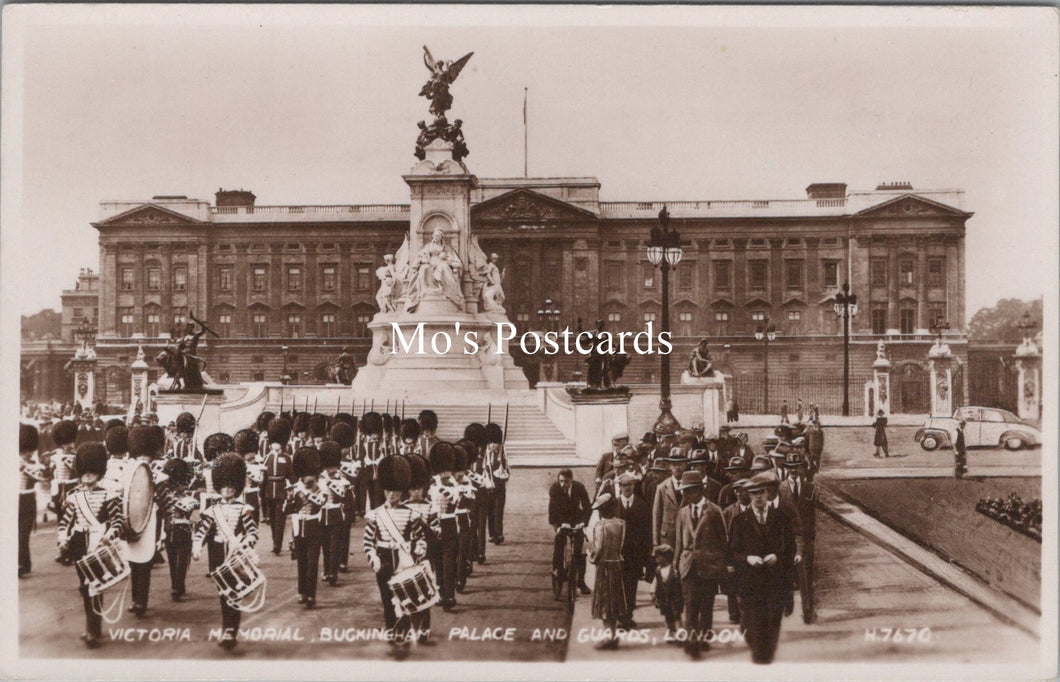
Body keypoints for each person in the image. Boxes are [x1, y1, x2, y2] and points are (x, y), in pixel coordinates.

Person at [57, 442, 124, 649]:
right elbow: (66, 520)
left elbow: (118, 521)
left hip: (98, 541)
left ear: (99, 472)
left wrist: (110, 534)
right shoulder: (74, 496)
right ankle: (92, 625)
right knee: (84, 585)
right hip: (79, 541)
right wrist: (62, 538)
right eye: (84, 471)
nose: (87, 475)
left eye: (91, 471)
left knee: (94, 585)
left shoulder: (109, 494)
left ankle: (93, 629)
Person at [362, 454, 427, 660]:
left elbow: (420, 537)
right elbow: (367, 541)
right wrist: (373, 557)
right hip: (383, 557)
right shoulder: (375, 514)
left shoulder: (410, 513)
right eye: (389, 490)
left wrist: (418, 550)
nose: (392, 495)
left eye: (396, 491)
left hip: (404, 558)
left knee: (404, 595)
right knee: (386, 597)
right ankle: (392, 628)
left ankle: (404, 629)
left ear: (401, 491)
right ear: (384, 490)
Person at [729, 471, 797, 664]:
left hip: (776, 582)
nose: (758, 496)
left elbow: (790, 550)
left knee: (773, 624)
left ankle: (764, 660)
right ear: (748, 496)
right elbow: (733, 553)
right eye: (753, 493)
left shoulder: (780, 518)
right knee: (751, 627)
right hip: (750, 583)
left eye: (761, 492)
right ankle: (760, 654)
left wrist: (777, 556)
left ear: (768, 493)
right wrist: (748, 558)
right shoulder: (740, 521)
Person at [192, 453, 258, 651]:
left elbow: (252, 533)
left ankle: (230, 630)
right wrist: (196, 547)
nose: (227, 489)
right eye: (224, 486)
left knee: (234, 593)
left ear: (237, 487)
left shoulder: (245, 508)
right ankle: (227, 627)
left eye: (231, 486)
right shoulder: (212, 510)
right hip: (218, 555)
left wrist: (245, 544)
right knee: (223, 594)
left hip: (235, 556)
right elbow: (202, 531)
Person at [673, 470, 728, 659]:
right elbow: (679, 541)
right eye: (684, 492)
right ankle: (692, 641)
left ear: (699, 490)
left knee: (706, 605)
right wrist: (676, 563)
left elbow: (723, 541)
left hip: (709, 566)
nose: (686, 495)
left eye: (689, 491)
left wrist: (720, 564)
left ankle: (703, 637)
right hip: (688, 565)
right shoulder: (682, 513)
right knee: (690, 604)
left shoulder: (714, 510)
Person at [125, 425, 165, 617]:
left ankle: (142, 600)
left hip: (151, 519)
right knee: (133, 560)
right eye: (139, 454)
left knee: (145, 561)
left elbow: (164, 500)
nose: (143, 458)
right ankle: (135, 599)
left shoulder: (159, 472)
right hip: (132, 517)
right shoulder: (130, 470)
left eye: (145, 454)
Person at [777, 452, 817, 624]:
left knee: (806, 574)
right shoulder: (779, 488)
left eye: (797, 466)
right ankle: (788, 601)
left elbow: (813, 515)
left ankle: (807, 610)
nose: (793, 470)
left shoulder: (810, 488)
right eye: (790, 467)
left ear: (802, 467)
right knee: (786, 572)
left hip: (805, 537)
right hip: (786, 538)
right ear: (785, 469)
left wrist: (812, 537)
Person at [587, 493, 629, 650]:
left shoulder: (600, 526)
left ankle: (609, 637)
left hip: (604, 566)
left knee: (604, 602)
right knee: (615, 601)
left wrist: (592, 558)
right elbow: (621, 546)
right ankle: (613, 635)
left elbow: (599, 548)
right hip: (617, 565)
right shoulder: (621, 524)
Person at [285, 446, 325, 609]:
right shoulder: (295, 488)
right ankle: (302, 591)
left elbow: (320, 503)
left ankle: (311, 594)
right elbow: (287, 511)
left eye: (311, 473)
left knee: (313, 562)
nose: (308, 476)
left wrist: (308, 493)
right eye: (306, 473)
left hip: (314, 527)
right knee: (301, 561)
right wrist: (289, 499)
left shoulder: (321, 488)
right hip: (298, 527)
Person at [613, 471, 651, 628]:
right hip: (617, 554)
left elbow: (647, 531)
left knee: (631, 586)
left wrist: (646, 555)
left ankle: (627, 617)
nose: (627, 488)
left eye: (629, 485)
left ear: (634, 486)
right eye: (623, 485)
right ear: (619, 487)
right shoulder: (613, 505)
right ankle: (620, 617)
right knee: (618, 586)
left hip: (635, 554)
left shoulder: (642, 505)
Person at [548, 468, 592, 599]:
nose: (563, 484)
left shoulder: (579, 487)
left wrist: (583, 522)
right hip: (561, 520)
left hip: (576, 520)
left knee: (581, 548)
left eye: (566, 481)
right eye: (560, 481)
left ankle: (581, 581)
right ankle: (557, 570)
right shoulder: (555, 489)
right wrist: (559, 526)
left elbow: (587, 507)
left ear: (571, 480)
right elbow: (552, 510)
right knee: (559, 542)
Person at [428, 442, 460, 611]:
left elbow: (454, 499)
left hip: (448, 523)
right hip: (433, 524)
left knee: (449, 561)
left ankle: (449, 594)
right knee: (437, 561)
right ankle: (440, 592)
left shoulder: (453, 484)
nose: (446, 472)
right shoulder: (430, 482)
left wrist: (439, 485)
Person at [159, 457, 196, 601]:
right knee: (172, 562)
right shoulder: (166, 496)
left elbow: (192, 516)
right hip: (170, 531)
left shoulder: (191, 498)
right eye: (178, 484)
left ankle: (178, 586)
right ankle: (176, 584)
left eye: (183, 484)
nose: (181, 487)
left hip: (184, 532)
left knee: (182, 563)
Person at [319, 440, 352, 586]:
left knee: (335, 545)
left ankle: (333, 572)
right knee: (325, 545)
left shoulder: (341, 478)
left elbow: (343, 495)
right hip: (322, 514)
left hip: (336, 513)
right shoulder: (319, 477)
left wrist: (329, 481)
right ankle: (327, 571)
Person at [19, 423, 48, 578]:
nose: (28, 453)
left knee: (23, 534)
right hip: (15, 498)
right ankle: (24, 562)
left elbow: (42, 477)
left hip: (28, 499)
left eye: (29, 450)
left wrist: (25, 467)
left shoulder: (33, 464)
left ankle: (22, 563)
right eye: (25, 451)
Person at [263, 416, 294, 554]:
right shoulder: (267, 458)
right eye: (273, 443)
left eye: (278, 443)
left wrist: (292, 489)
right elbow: (263, 476)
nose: (275, 445)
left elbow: (291, 476)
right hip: (269, 491)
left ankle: (277, 545)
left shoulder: (287, 458)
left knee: (280, 520)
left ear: (282, 443)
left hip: (281, 490)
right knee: (273, 520)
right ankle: (275, 540)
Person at [652, 448, 687, 549]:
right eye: (674, 464)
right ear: (670, 466)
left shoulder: (690, 487)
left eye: (680, 464)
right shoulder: (662, 488)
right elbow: (656, 516)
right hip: (667, 538)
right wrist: (655, 543)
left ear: (685, 465)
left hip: (686, 535)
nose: (677, 467)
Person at [650, 544, 683, 642]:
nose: (657, 559)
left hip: (675, 597)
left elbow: (680, 583)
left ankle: (680, 631)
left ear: (666, 557)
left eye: (658, 557)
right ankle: (670, 631)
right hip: (664, 598)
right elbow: (655, 582)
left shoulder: (675, 570)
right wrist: (653, 593)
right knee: (668, 616)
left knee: (677, 615)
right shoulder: (658, 570)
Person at [485, 422, 510, 545]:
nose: (494, 445)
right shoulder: (485, 455)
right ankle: (492, 534)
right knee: (490, 511)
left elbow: (507, 468)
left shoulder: (502, 452)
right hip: (488, 485)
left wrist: (504, 469)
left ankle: (498, 533)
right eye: (491, 443)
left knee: (498, 510)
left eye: (496, 443)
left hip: (499, 485)